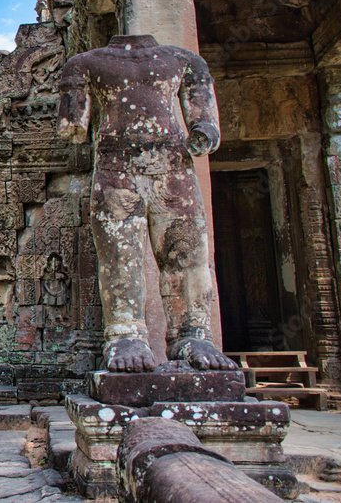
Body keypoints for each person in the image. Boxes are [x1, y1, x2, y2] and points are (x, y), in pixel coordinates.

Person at [58, 34, 238, 373]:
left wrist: (203, 134)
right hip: (131, 168)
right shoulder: (181, 60)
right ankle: (127, 333)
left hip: (153, 168)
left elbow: (70, 126)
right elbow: (207, 127)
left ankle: (192, 334)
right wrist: (202, 135)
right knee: (132, 257)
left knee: (179, 254)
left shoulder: (85, 63)